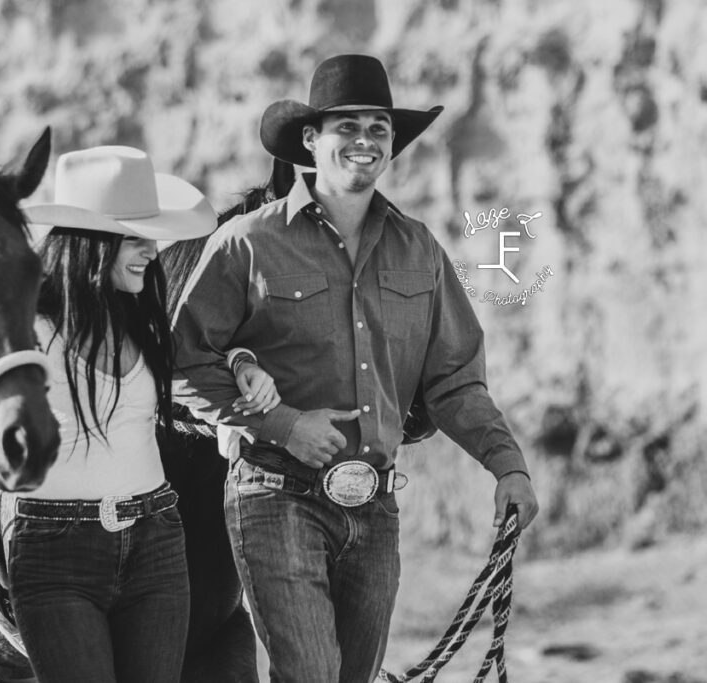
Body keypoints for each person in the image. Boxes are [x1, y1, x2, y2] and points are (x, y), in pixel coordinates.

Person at [171, 54, 540, 682]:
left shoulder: (419, 249)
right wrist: (284, 425)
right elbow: (185, 364)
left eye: (378, 128)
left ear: (392, 142)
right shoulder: (246, 243)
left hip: (375, 507)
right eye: (347, 127)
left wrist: (507, 465)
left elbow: (453, 380)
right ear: (311, 141)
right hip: (273, 496)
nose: (364, 142)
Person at [2, 145, 277, 683]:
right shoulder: (24, 330)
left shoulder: (145, 322)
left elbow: (203, 350)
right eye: (135, 237)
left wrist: (242, 364)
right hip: (55, 550)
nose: (152, 251)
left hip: (156, 541)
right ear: (91, 243)